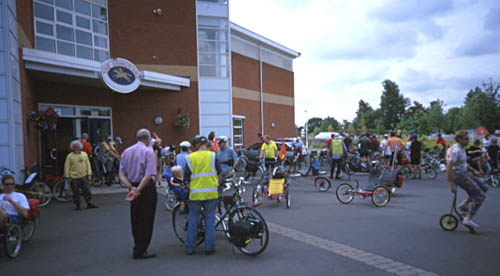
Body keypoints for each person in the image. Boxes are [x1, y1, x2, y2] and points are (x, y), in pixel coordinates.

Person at [119, 129, 158, 259]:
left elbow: (121, 174)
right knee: (146, 219)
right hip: (145, 188)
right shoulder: (148, 152)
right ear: (147, 139)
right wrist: (139, 190)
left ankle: (137, 245)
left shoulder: (126, 151)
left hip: (133, 186)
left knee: (135, 218)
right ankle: (141, 249)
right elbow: (148, 175)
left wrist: (131, 188)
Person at [184, 135, 220, 255]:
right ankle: (209, 248)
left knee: (193, 220)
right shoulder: (213, 156)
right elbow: (219, 171)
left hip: (195, 194)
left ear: (196, 145)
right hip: (211, 193)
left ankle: (190, 248)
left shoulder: (190, 157)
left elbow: (186, 176)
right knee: (210, 221)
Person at [446, 130, 488, 228]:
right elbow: (449, 168)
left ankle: (463, 205)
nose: (468, 141)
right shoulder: (455, 151)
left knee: (484, 188)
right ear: (459, 139)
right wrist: (452, 185)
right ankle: (468, 219)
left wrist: (474, 171)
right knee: (480, 196)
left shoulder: (461, 148)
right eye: (466, 139)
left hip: (464, 173)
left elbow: (463, 164)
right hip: (459, 175)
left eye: (468, 139)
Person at [64, 140, 98, 210]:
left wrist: (89, 174)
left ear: (80, 147)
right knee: (75, 192)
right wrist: (67, 177)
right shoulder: (69, 156)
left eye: (77, 147)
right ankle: (78, 204)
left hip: (84, 176)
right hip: (73, 177)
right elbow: (67, 167)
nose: (76, 148)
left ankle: (89, 203)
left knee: (87, 190)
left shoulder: (84, 154)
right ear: (72, 148)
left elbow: (88, 165)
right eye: (74, 147)